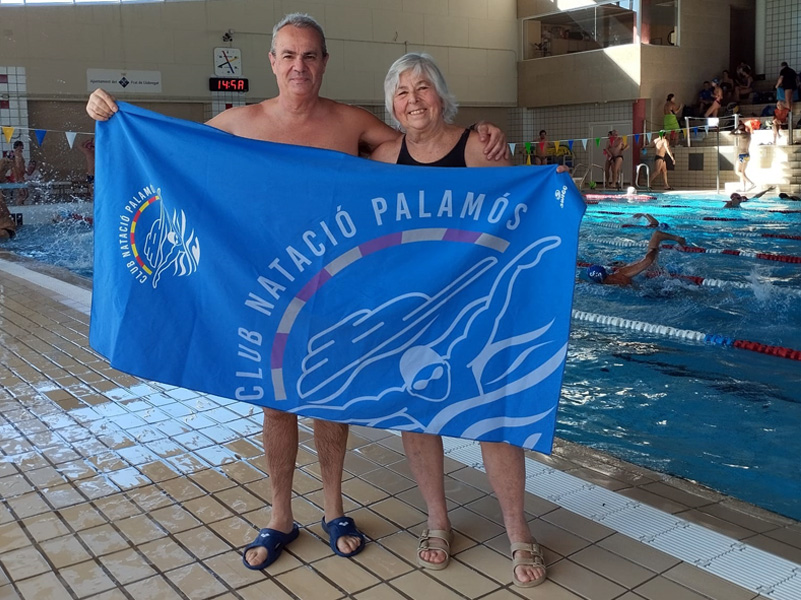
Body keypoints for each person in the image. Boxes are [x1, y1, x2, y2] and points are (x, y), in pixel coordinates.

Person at [86, 12, 509, 574]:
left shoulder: (350, 123)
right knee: (276, 402)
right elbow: (172, 152)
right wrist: (114, 119)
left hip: (334, 283)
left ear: (324, 62)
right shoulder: (241, 120)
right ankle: (281, 514)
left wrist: (483, 136)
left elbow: (422, 153)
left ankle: (335, 509)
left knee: (330, 397)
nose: (299, 66)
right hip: (261, 281)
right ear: (272, 62)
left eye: (309, 55)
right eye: (288, 55)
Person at [370, 52, 553, 589]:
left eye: (422, 88)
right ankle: (437, 520)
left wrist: (551, 185)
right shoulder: (383, 158)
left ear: (441, 95)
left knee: (492, 416)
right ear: (392, 106)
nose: (413, 100)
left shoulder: (475, 147)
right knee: (416, 414)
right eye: (402, 93)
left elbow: (522, 207)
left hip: (474, 307)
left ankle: (518, 530)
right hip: (412, 310)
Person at [585, 229, 686, 286]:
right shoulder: (609, 281)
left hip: (647, 269)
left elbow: (648, 260)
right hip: (643, 272)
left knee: (655, 241)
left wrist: (654, 251)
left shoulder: (621, 274)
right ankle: (663, 237)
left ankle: (671, 238)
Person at [731, 121, 754, 191]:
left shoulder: (740, 135)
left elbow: (731, 133)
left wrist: (737, 128)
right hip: (747, 154)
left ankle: (750, 183)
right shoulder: (748, 134)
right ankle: (744, 188)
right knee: (743, 172)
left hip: (742, 155)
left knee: (738, 172)